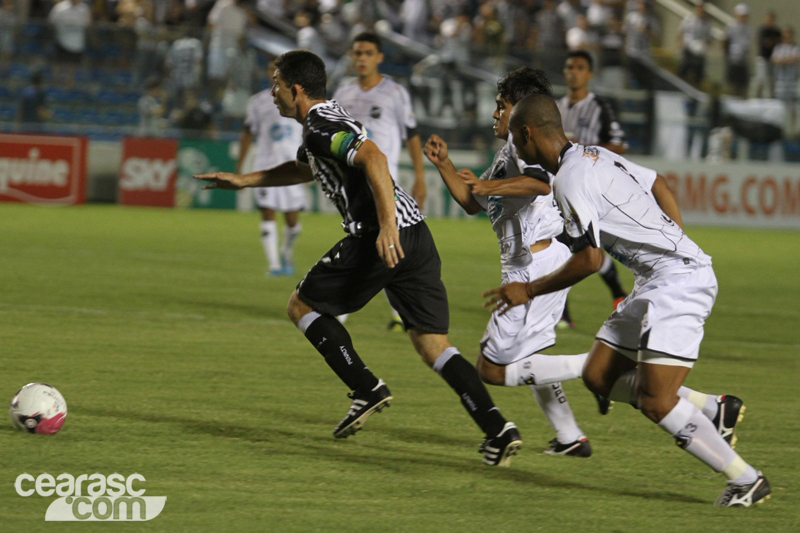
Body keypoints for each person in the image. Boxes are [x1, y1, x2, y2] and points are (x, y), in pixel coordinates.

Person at [195, 50, 523, 467]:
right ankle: (498, 429)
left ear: (297, 89)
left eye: (276, 85)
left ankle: (366, 388)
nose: (272, 92)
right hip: (416, 236)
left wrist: (386, 227)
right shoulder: (324, 122)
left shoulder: (320, 127)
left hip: (379, 237)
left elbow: (374, 158)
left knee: (302, 306)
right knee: (433, 344)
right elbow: (303, 169)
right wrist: (244, 181)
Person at [484, 92, 770, 507]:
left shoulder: (568, 180)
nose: (514, 147)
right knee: (598, 375)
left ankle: (746, 480)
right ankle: (713, 410)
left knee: (655, 401)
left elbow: (590, 260)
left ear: (527, 133)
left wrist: (527, 290)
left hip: (679, 283)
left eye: (515, 138)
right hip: (654, 281)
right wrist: (674, 239)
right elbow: (659, 184)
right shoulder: (593, 154)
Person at [425, 67, 599, 456]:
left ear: (522, 112)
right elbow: (472, 202)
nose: (494, 114)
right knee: (529, 356)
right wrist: (444, 165)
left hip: (535, 264)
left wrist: (489, 185)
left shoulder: (525, 150)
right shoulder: (508, 153)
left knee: (491, 367)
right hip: (538, 261)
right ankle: (571, 437)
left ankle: (597, 365)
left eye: (501, 106)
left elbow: (541, 184)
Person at [332, 32, 427, 331]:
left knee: (371, 244)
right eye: (357, 53)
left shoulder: (395, 92)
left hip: (386, 183)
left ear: (379, 57)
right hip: (353, 184)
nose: (362, 58)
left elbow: (412, 135)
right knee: (380, 244)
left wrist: (420, 176)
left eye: (368, 53)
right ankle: (401, 312)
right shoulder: (342, 93)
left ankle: (340, 311)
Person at [556, 50, 628, 327]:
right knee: (576, 246)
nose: (573, 72)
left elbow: (618, 144)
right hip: (559, 187)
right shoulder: (555, 108)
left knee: (570, 246)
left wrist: (582, 149)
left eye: (579, 67)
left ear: (590, 74)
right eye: (569, 67)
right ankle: (617, 294)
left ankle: (562, 312)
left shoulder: (600, 107)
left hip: (589, 189)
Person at [236, 59, 307, 276]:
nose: (274, 72)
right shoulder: (257, 102)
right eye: (271, 69)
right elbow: (248, 133)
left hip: (294, 166)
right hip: (266, 164)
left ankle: (286, 251)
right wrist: (240, 165)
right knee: (267, 212)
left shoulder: (301, 98)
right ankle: (274, 265)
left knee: (292, 222)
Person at [771, 26, 800, 138]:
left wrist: (783, 60)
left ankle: (795, 131)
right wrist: (786, 60)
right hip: (781, 82)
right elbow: (774, 60)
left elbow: (795, 58)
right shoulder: (778, 48)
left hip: (792, 81)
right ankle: (782, 131)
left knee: (794, 107)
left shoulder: (795, 48)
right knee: (781, 107)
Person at [676, 1, 713, 87]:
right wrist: (680, 44)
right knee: (683, 70)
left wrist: (704, 44)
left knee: (698, 74)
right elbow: (680, 32)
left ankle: (695, 88)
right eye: (699, 7)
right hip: (688, 49)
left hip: (699, 52)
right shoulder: (688, 19)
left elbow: (709, 38)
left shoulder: (707, 23)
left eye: (702, 8)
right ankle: (679, 87)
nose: (700, 10)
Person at [724, 3, 752, 99]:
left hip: (743, 59)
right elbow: (725, 41)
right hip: (733, 59)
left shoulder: (748, 28)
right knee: (732, 84)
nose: (743, 18)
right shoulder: (731, 27)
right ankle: (732, 99)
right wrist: (727, 56)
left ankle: (743, 101)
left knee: (744, 84)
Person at [751, 11, 781, 98]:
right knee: (761, 78)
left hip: (773, 58)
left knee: (771, 79)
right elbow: (765, 43)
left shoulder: (776, 31)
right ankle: (756, 96)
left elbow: (778, 42)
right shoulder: (762, 30)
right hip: (763, 58)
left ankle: (770, 97)